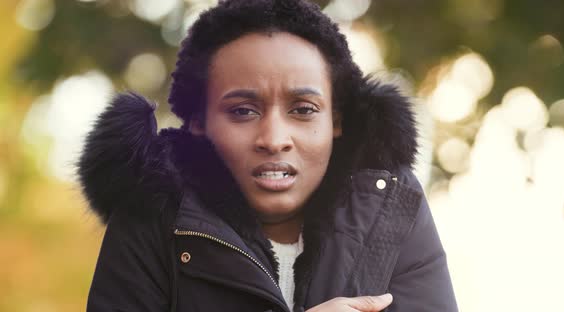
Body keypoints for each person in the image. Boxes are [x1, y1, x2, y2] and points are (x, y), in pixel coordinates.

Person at [76, 0, 458, 311]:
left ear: (336, 119)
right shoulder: (152, 215)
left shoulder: (388, 205)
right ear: (198, 121)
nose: (274, 139)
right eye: (243, 111)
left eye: (303, 109)